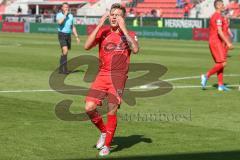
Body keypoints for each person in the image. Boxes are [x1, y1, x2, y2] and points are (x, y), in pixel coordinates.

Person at [84, 3, 139, 156]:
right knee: (89, 107)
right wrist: (99, 24)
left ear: (123, 18)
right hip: (102, 75)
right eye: (112, 14)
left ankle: (107, 146)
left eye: (118, 15)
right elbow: (86, 46)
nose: (114, 17)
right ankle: (103, 131)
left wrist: (124, 29)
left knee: (112, 110)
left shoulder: (129, 33)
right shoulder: (104, 32)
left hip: (118, 77)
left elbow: (135, 49)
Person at [201, 0, 233, 91]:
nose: (224, 6)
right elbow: (219, 31)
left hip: (214, 41)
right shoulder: (218, 16)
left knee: (220, 64)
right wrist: (227, 42)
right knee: (223, 63)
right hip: (216, 42)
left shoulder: (215, 16)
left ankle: (220, 85)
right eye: (222, 5)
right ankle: (205, 76)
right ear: (218, 6)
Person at [56, 2, 80, 74]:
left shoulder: (71, 16)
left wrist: (76, 37)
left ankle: (62, 69)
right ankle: (64, 70)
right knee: (65, 51)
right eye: (65, 7)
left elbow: (72, 26)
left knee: (65, 52)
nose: (66, 8)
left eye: (67, 7)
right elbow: (59, 22)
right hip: (61, 34)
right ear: (62, 8)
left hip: (68, 35)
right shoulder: (59, 15)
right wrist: (65, 15)